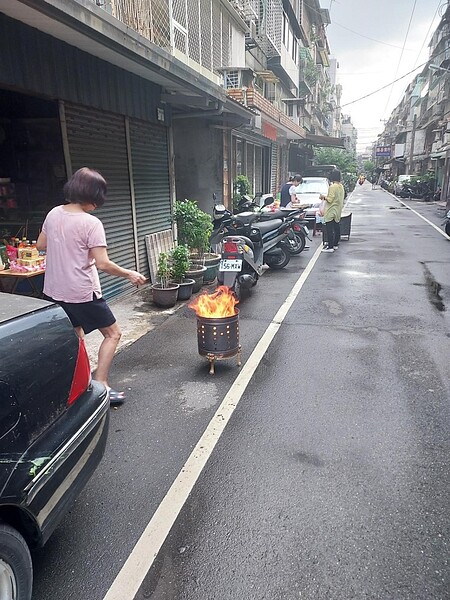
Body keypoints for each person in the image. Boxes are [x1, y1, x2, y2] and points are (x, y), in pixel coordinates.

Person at [37, 167, 147, 406]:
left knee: (77, 337)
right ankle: (103, 385)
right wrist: (129, 273)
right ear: (93, 196)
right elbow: (103, 264)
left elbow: (40, 245)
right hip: (82, 292)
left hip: (55, 291)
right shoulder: (90, 223)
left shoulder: (53, 213)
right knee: (113, 333)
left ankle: (82, 386)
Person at [320, 169, 345, 253]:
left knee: (329, 229)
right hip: (338, 209)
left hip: (331, 210)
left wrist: (323, 197)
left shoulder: (332, 186)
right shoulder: (341, 186)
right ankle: (335, 244)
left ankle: (330, 246)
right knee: (336, 227)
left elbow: (330, 199)